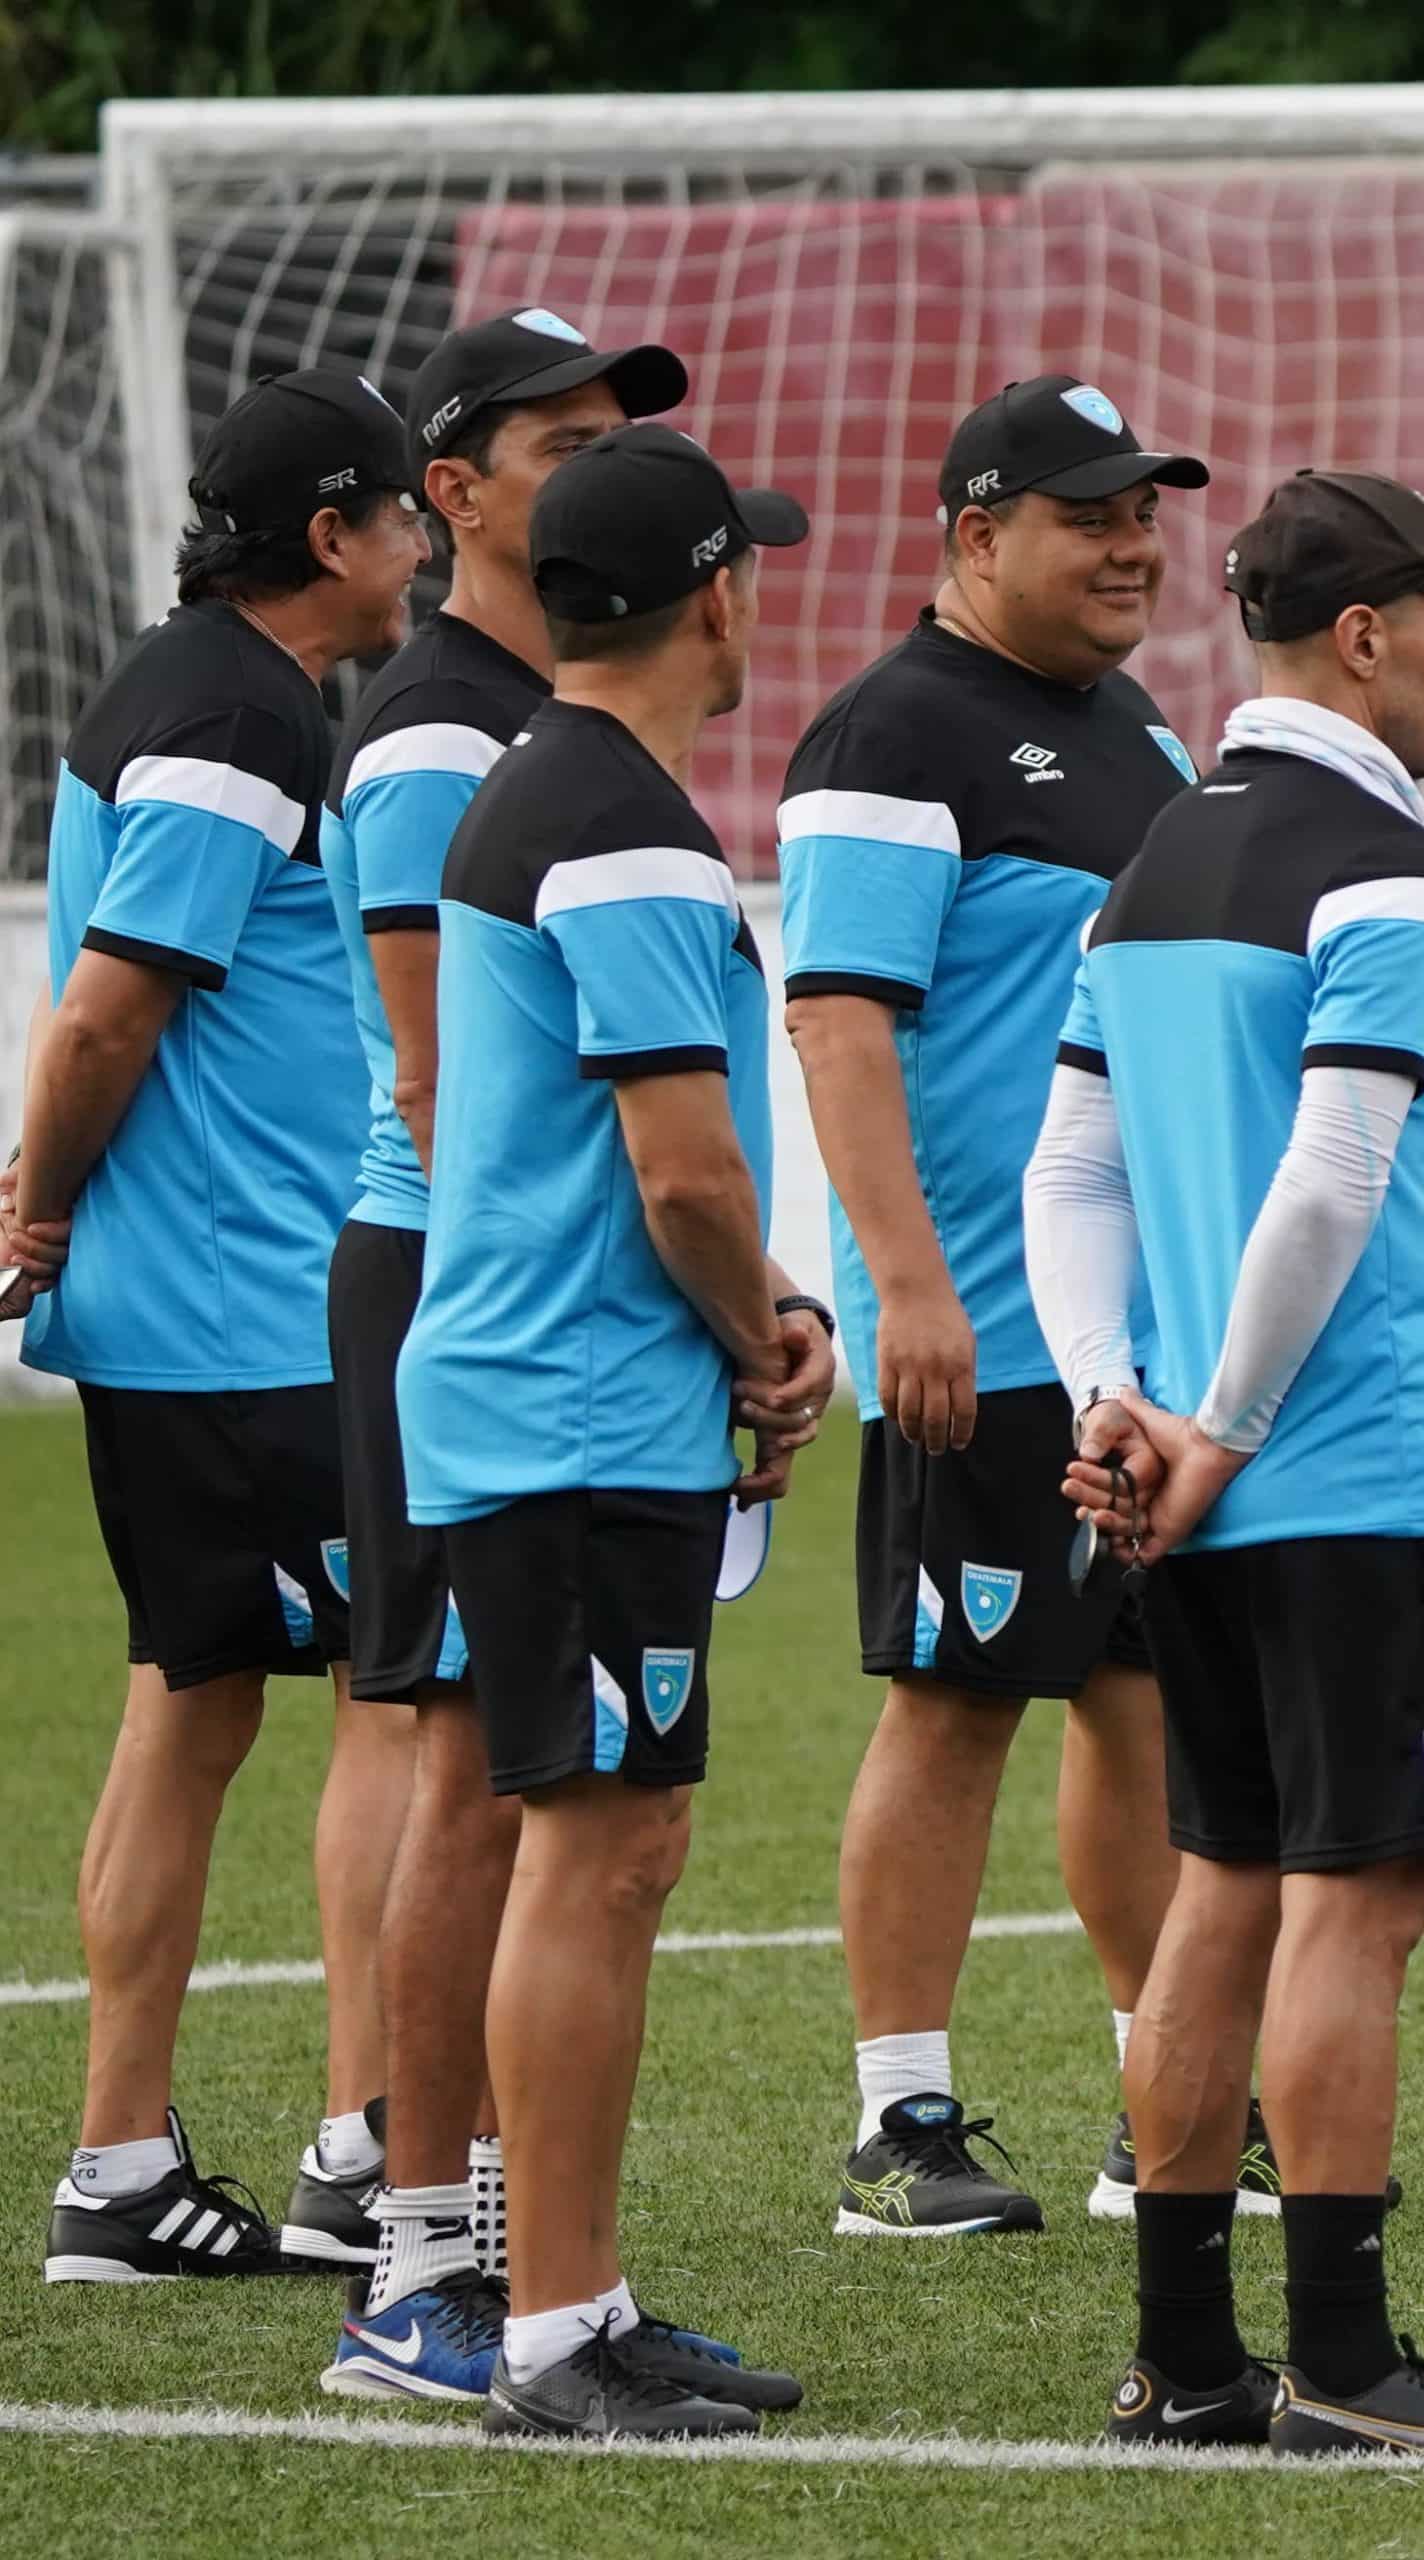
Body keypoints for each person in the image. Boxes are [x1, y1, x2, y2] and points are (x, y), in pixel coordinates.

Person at [1023, 468, 1424, 2455]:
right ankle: (1346, 2361)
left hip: (1182, 1479)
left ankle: (1185, 2360)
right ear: (1365, 635)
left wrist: (1119, 1394)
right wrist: (1231, 1419)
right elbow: (1334, 1176)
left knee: (1222, 1884)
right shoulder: (1389, 869)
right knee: (1359, 1901)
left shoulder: (1154, 861)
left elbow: (1068, 1170)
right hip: (1340, 1471)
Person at [395, 422, 826, 2436]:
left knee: (600, 1837)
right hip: (579, 1406)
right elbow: (685, 1179)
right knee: (600, 1850)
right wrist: (769, 1334)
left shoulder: (530, 786)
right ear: (711, 593)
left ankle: (578, 2294)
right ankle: (555, 2325)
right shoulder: (627, 824)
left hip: (535, 1393)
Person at [780, 376, 1211, 2238]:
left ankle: (1167, 2097)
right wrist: (907, 1290)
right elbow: (840, 1022)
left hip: (1130, 1336)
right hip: (983, 1323)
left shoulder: (1143, 732)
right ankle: (904, 2121)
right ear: (975, 536)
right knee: (956, 1701)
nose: (1135, 547)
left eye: (1146, 514)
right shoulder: (890, 731)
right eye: (1089, 516)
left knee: (1139, 1696)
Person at [18, 370, 428, 2285]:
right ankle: (365, 2148)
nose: (422, 547)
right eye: (399, 517)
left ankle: (118, 2167)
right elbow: (111, 1009)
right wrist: (32, 1200)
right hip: (248, 1308)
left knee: (189, 1715)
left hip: (205, 1304)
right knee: (388, 1699)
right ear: (331, 537)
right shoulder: (234, 711)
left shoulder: (201, 685)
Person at [314, 308, 688, 2397]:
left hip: (504, 1293)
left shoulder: (541, 714)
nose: (597, 471)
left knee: (486, 1764)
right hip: (466, 1283)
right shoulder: (445, 734)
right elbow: (451, 1091)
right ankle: (417, 2242)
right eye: (561, 443)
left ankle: (435, 2228)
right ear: (452, 492)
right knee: (466, 1765)